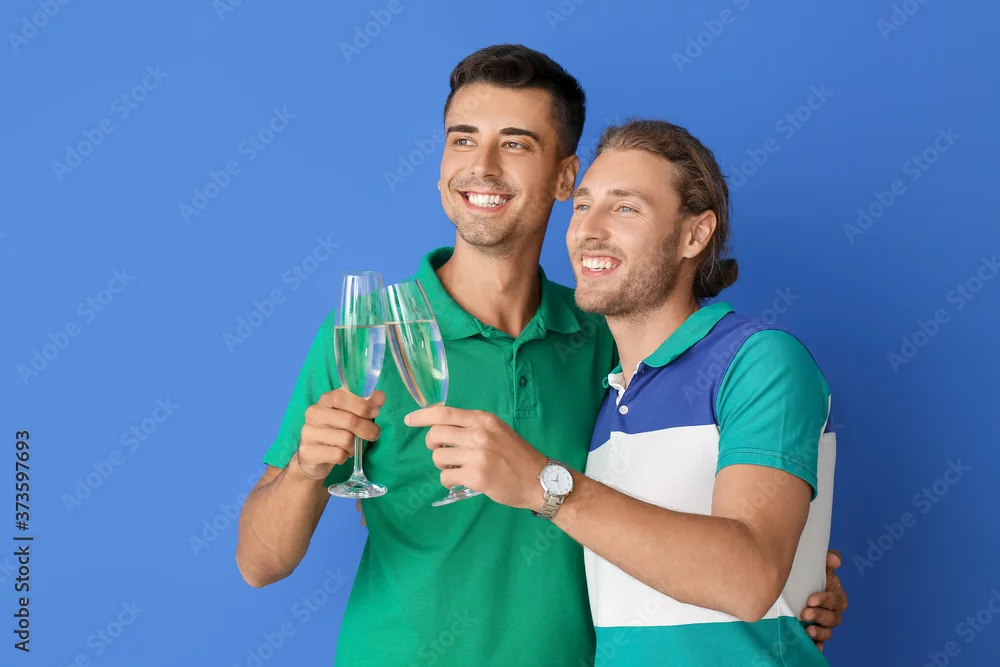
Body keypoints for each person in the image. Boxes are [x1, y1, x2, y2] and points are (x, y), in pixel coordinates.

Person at [236, 44, 847, 666]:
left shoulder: (609, 340)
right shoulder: (367, 331)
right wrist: (304, 472)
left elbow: (703, 526)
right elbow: (260, 563)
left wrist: (792, 583)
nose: (482, 167)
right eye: (463, 139)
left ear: (563, 178)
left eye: (516, 144)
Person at [406, 118, 839, 666]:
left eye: (626, 208)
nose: (589, 229)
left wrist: (545, 485)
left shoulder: (760, 360)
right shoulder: (603, 390)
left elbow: (750, 579)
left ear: (695, 235)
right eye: (583, 205)